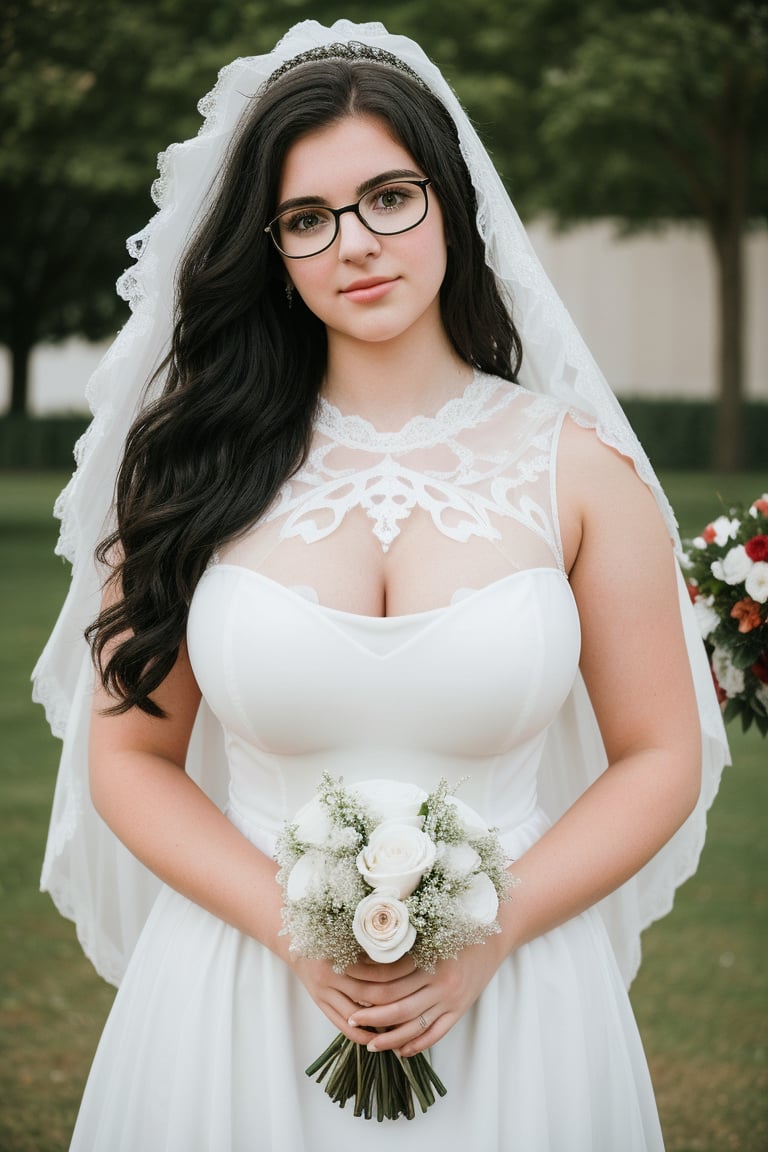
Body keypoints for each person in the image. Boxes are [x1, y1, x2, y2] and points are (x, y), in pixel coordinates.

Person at [34, 19, 728, 1152]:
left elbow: (660, 754)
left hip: (520, 998)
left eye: (390, 198)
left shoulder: (582, 471)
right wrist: (293, 931)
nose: (354, 243)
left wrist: (493, 934)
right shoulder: (185, 469)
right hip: (236, 993)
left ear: (451, 204)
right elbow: (131, 761)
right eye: (308, 219)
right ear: (272, 248)